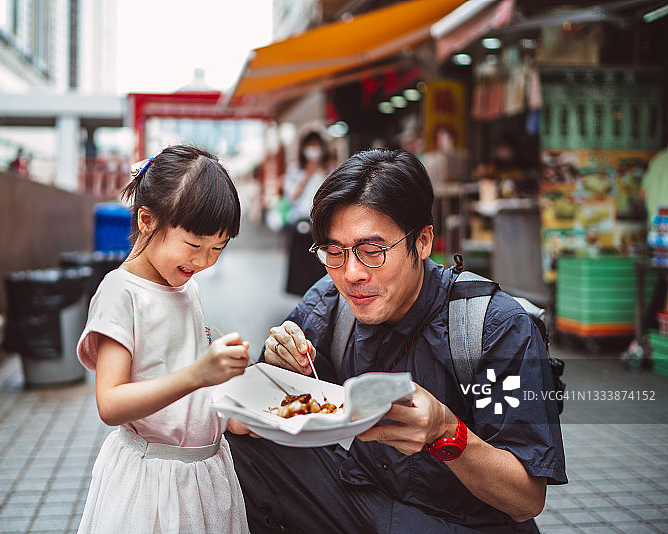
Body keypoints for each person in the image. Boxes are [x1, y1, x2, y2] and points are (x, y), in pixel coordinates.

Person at [227, 148, 567, 533]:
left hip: (464, 525)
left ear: (423, 241)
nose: (351, 274)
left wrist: (447, 433)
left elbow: (526, 500)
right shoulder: (328, 302)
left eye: (372, 251)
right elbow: (251, 412)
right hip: (364, 503)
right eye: (334, 252)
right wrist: (276, 365)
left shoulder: (494, 327)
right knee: (237, 450)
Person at [76, 145, 251, 533]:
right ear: (147, 220)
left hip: (205, 476)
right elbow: (110, 403)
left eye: (218, 248)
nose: (204, 262)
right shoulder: (121, 293)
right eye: (194, 245)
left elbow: (193, 393)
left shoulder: (187, 287)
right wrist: (198, 374)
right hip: (151, 485)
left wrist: (234, 417)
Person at [282, 129, 334, 296]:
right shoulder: (296, 169)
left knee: (319, 266)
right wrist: (306, 175)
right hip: (301, 222)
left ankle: (321, 296)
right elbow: (291, 196)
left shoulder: (329, 168)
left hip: (323, 223)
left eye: (317, 145)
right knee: (301, 265)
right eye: (310, 145)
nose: (314, 149)